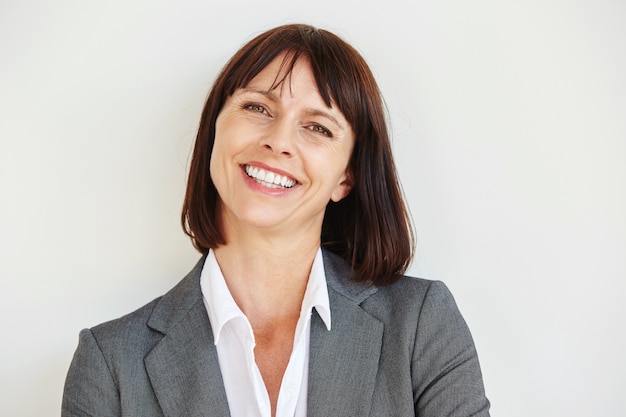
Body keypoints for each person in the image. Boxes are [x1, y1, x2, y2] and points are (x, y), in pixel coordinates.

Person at [62, 23, 490, 417]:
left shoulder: (420, 327)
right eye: (258, 108)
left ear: (347, 176)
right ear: (215, 129)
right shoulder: (110, 364)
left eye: (318, 128)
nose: (278, 141)